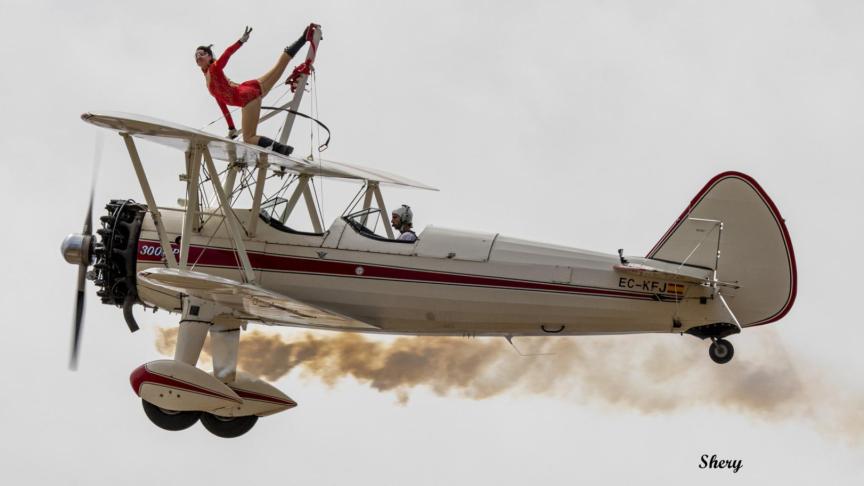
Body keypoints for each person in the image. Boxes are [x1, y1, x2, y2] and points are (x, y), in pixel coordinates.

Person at [195, 24, 318, 156]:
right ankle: (304, 37)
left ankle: (280, 149)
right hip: (251, 87)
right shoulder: (209, 80)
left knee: (249, 138)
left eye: (201, 54)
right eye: (196, 56)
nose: (198, 57)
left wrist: (240, 42)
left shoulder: (214, 68)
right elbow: (222, 105)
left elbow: (227, 54)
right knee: (279, 66)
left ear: (209, 57)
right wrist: (231, 127)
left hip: (246, 98)